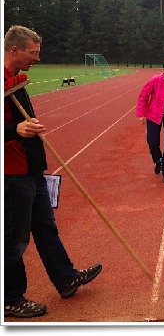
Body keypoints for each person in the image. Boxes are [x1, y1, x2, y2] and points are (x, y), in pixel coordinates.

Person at [4, 25, 103, 318]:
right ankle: (10, 298)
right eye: (33, 53)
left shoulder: (16, 81)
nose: (37, 58)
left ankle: (65, 278)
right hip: (11, 173)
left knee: (45, 227)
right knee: (14, 238)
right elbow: (14, 128)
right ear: (15, 50)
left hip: (31, 168)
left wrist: (29, 127)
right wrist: (16, 129)